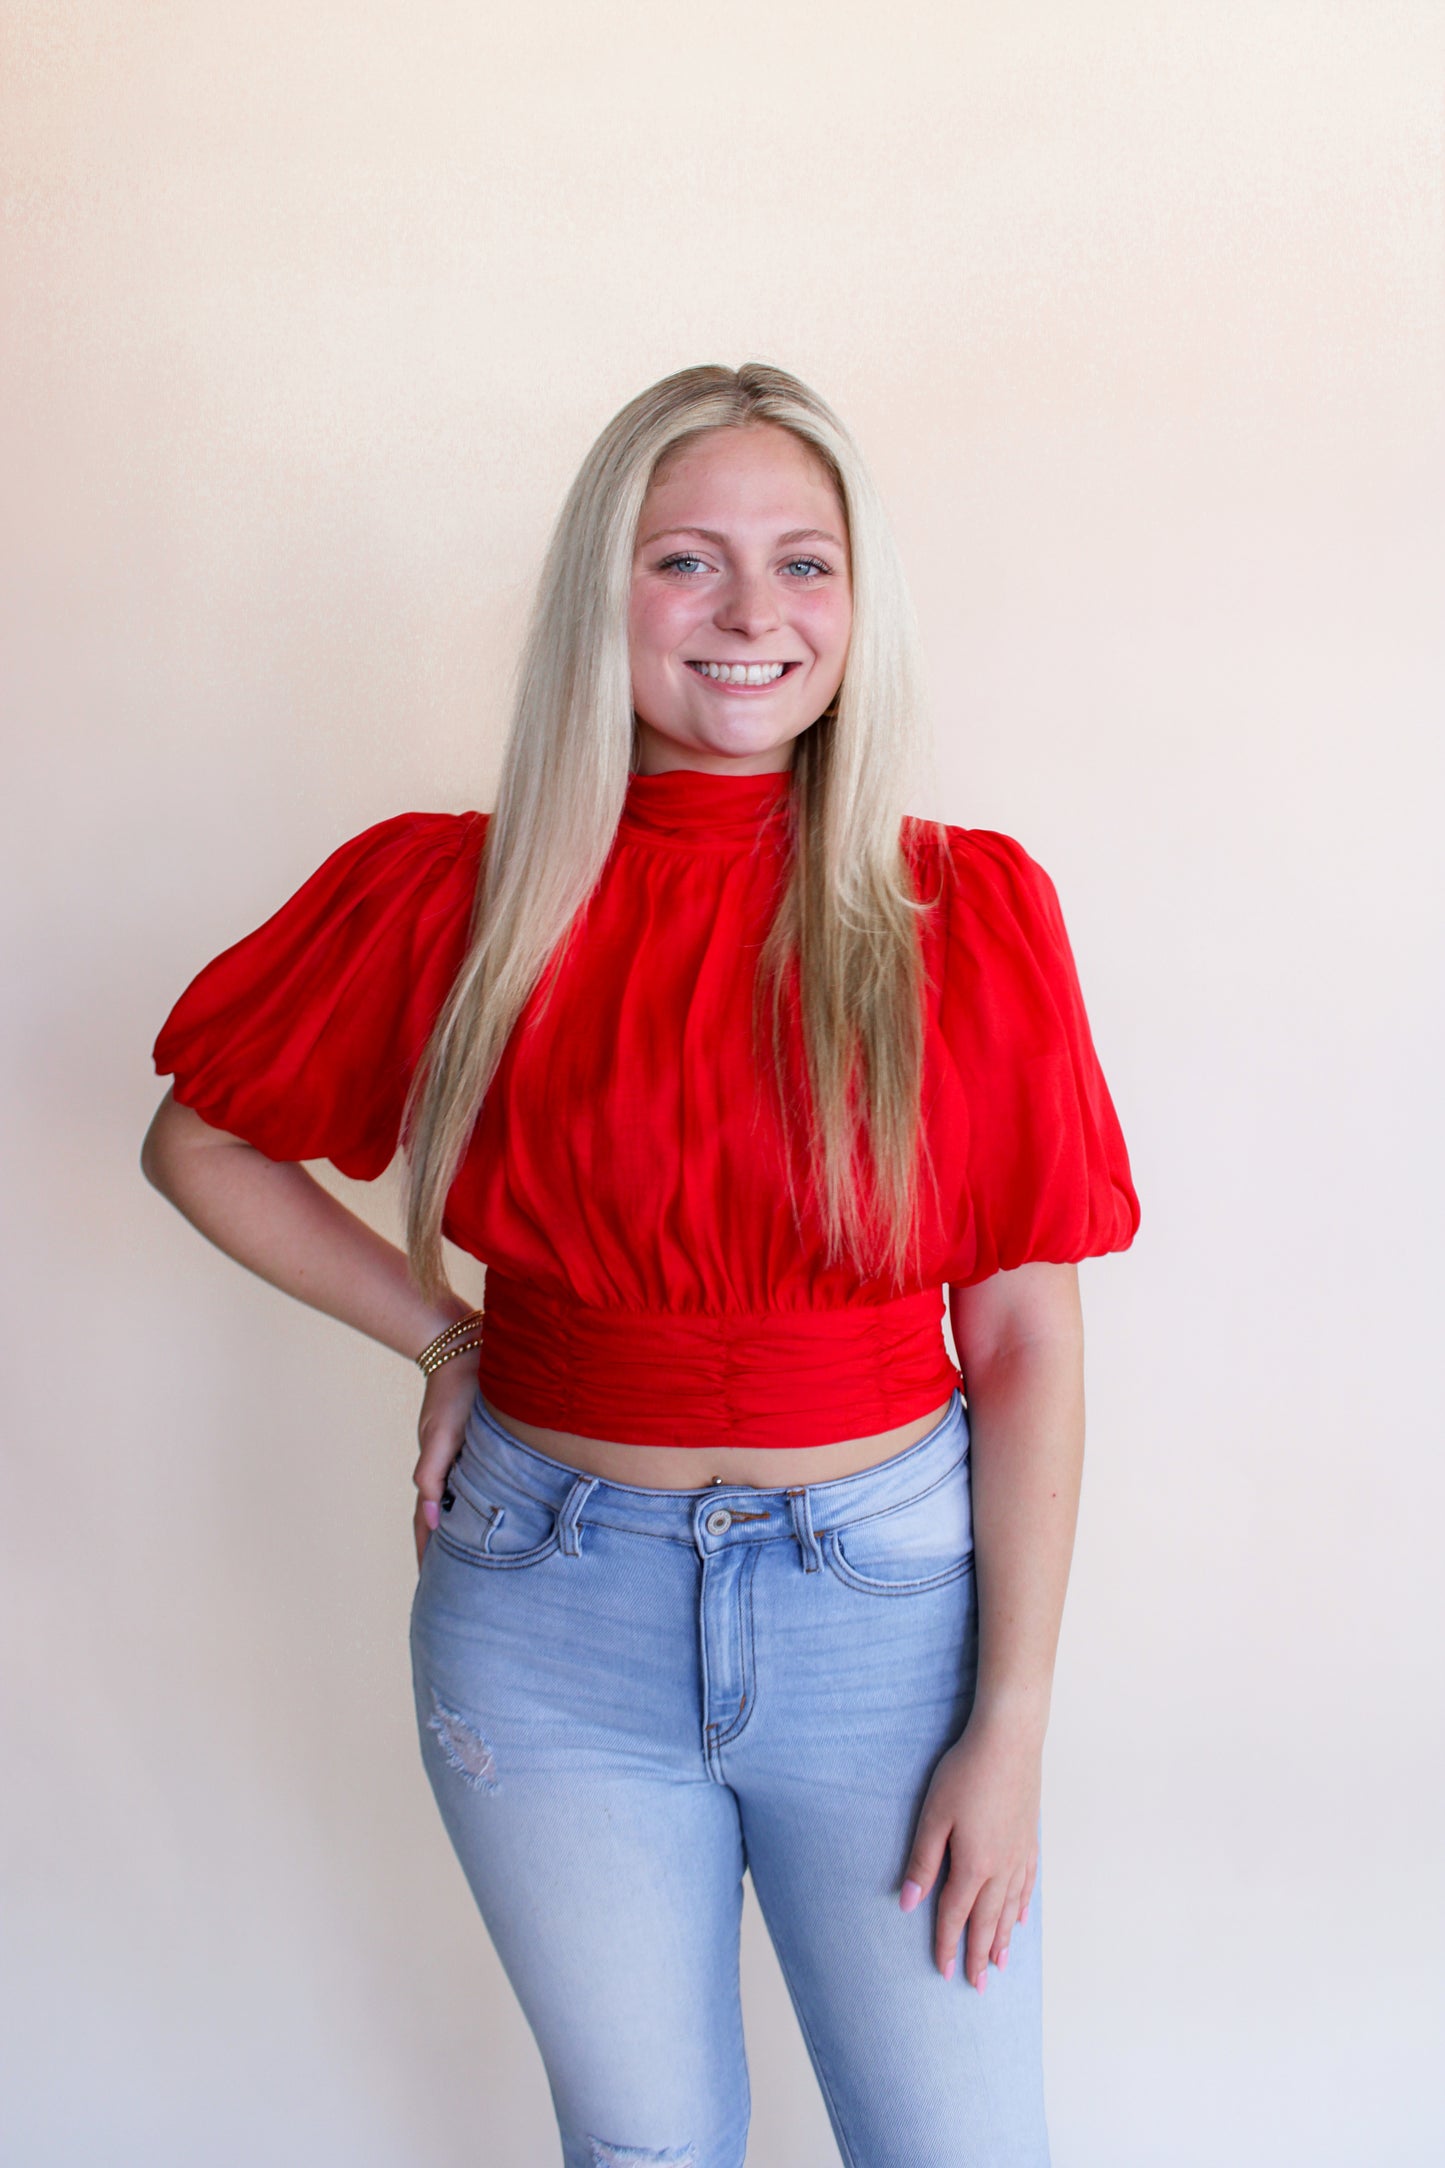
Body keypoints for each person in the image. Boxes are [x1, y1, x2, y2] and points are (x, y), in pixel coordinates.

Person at [142, 362, 1139, 2168]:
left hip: (887, 1627)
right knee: (646, 2149)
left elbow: (1024, 1340)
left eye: (804, 563)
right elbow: (201, 1141)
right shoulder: (457, 896)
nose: (753, 613)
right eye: (686, 559)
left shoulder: (964, 914)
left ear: (859, 605)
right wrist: (445, 1340)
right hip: (543, 1606)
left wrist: (1011, 1729)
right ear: (601, 595)